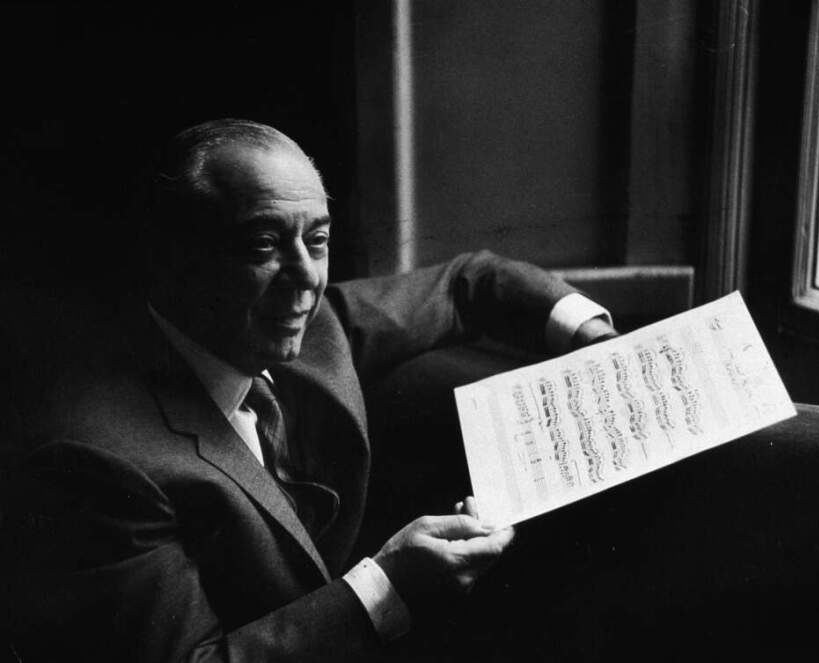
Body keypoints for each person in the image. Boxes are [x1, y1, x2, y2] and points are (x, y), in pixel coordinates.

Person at [1, 119, 617, 662]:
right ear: (173, 259)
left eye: (317, 240)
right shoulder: (92, 462)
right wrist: (387, 588)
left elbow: (465, 285)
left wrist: (589, 334)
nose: (306, 278)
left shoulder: (305, 326)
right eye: (262, 245)